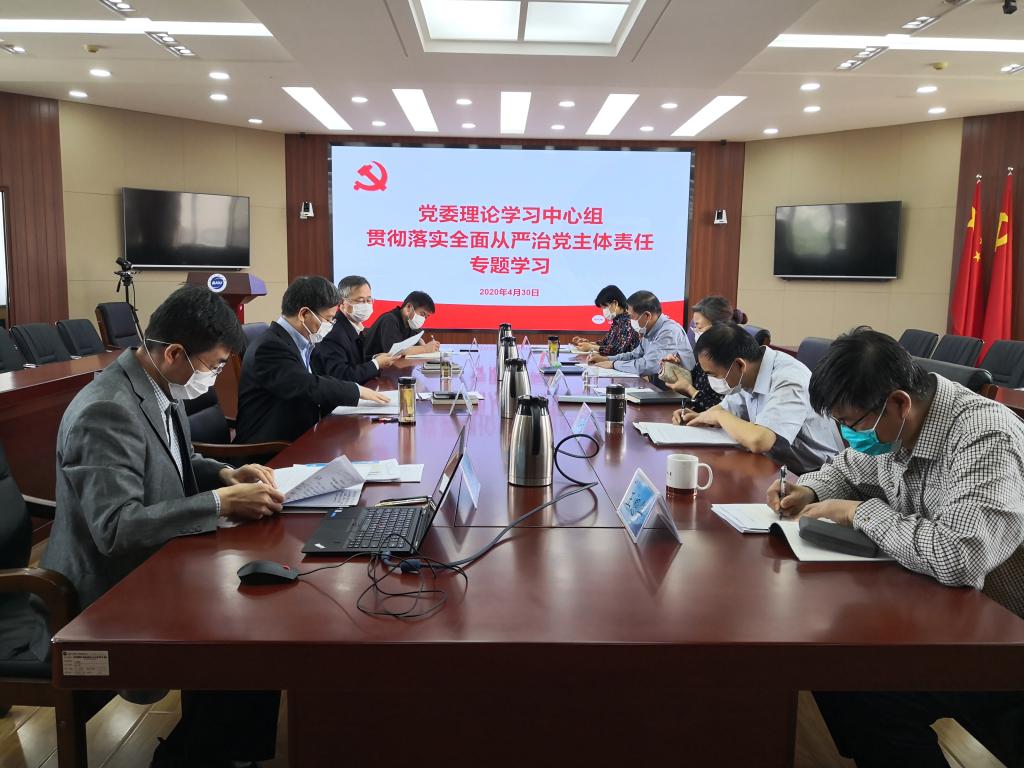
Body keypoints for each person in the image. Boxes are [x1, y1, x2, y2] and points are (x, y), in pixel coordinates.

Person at [31, 285, 285, 767]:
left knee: (261, 620)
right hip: (101, 592)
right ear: (174, 353)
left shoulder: (155, 385)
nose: (213, 378)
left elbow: (175, 461)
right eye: (213, 366)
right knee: (244, 636)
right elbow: (115, 528)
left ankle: (223, 751)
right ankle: (195, 756)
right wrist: (220, 502)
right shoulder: (106, 410)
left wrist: (225, 474)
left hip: (159, 562)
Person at [766, 327, 1024, 768]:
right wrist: (809, 490)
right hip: (939, 610)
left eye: (851, 424)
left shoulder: (985, 437)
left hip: (999, 634)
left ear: (899, 402)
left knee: (862, 687)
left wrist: (858, 513)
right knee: (833, 665)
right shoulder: (896, 424)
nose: (847, 435)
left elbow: (959, 556)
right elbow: (848, 467)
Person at [235, 276, 388, 444]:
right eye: (328, 319)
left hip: (303, 433)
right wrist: (357, 391)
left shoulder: (302, 341)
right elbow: (307, 385)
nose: (331, 325)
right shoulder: (270, 347)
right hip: (272, 447)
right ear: (304, 314)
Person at [674, 321, 842, 473]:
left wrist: (718, 416)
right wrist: (699, 417)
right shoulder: (749, 372)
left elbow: (760, 441)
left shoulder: (789, 379)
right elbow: (725, 408)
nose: (712, 380)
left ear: (739, 365)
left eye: (713, 374)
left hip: (815, 473)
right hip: (776, 464)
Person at [312, 275, 398, 384]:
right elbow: (341, 375)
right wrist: (376, 364)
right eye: (360, 301)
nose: (366, 305)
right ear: (342, 302)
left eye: (369, 300)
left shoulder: (354, 327)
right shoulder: (333, 331)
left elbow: (354, 361)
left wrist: (375, 358)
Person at [588, 290, 693, 376]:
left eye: (631, 317)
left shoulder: (669, 331)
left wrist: (614, 364)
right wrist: (606, 359)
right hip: (660, 386)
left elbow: (649, 365)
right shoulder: (649, 329)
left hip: (677, 391)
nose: (630, 321)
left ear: (647, 316)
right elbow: (635, 355)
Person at [660, 295, 732, 412]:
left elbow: (723, 410)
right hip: (694, 414)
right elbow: (693, 381)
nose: (696, 332)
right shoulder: (706, 353)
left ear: (718, 328)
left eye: (699, 327)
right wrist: (676, 369)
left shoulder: (727, 359)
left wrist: (690, 390)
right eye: (695, 327)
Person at [363, 291, 442, 359]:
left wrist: (421, 343)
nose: (423, 319)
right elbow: (393, 351)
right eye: (422, 314)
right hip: (369, 366)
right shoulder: (389, 319)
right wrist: (425, 349)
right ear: (408, 307)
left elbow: (415, 342)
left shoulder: (411, 324)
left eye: (426, 317)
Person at [570, 285, 640, 356]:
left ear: (615, 303)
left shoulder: (628, 321)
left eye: (605, 307)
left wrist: (591, 347)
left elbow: (619, 350)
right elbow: (606, 343)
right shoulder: (617, 321)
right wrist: (588, 344)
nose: (604, 311)